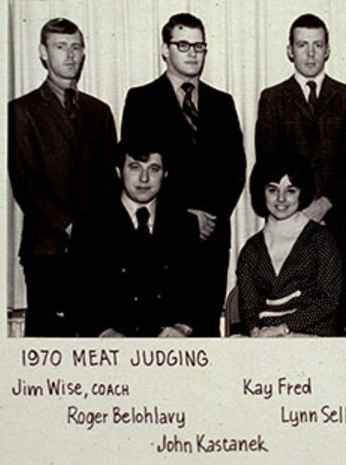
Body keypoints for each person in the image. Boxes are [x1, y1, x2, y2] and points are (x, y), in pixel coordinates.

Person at [121, 13, 246, 336]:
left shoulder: (223, 102)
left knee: (204, 331)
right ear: (165, 50)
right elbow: (139, 172)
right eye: (183, 44)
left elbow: (236, 169)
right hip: (164, 234)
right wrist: (187, 217)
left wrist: (210, 217)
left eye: (199, 46)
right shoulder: (141, 99)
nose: (192, 52)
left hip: (212, 238)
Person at [255, 13, 346, 336]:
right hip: (289, 226)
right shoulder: (272, 99)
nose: (310, 53)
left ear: (328, 50)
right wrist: (299, 209)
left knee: (334, 318)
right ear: (290, 50)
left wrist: (325, 203)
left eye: (317, 45)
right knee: (290, 317)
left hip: (339, 223)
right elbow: (269, 163)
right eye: (302, 45)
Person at [9, 17, 118, 336]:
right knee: (51, 341)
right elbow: (26, 184)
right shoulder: (22, 110)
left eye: (75, 47)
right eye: (60, 47)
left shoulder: (100, 111)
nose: (70, 55)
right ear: (43, 53)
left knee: (96, 338)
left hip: (95, 250)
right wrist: (71, 227)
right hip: (47, 249)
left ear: (84, 53)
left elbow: (109, 182)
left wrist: (98, 233)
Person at [69, 141, 199, 337]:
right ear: (118, 171)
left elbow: (199, 289)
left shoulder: (184, 225)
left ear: (165, 174)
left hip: (170, 350)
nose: (144, 178)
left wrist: (182, 327)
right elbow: (77, 292)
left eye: (153, 169)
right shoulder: (91, 225)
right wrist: (103, 332)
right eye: (135, 167)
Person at [236, 156, 342, 337]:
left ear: (302, 192)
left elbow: (328, 301)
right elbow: (248, 308)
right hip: (265, 340)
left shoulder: (322, 239)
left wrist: (283, 329)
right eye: (272, 190)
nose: (281, 198)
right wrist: (256, 332)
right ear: (262, 192)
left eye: (290, 190)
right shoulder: (251, 249)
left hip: (311, 338)